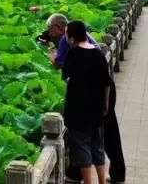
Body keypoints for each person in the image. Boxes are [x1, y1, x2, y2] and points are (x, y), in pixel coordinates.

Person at [45, 14, 126, 184]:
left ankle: (79, 175)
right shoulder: (84, 39)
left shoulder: (67, 42)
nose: (49, 33)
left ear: (60, 28)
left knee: (88, 136)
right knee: (102, 133)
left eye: (50, 29)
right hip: (104, 88)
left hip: (90, 92)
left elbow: (61, 68)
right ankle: (111, 174)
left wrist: (52, 54)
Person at [63, 21, 111, 184]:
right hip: (96, 107)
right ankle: (102, 181)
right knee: (97, 145)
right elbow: (106, 83)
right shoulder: (98, 53)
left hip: (77, 108)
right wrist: (105, 104)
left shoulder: (73, 53)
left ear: (71, 36)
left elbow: (65, 74)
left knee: (82, 146)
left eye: (66, 33)